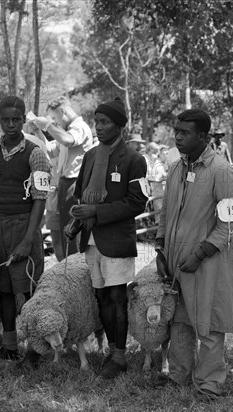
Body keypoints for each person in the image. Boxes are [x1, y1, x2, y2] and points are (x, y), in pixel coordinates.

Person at [155, 109, 233, 398]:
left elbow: (230, 222)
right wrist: (159, 247)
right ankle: (178, 375)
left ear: (202, 137)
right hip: (175, 260)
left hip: (207, 262)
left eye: (185, 132)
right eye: (176, 131)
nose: (177, 136)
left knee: (210, 321)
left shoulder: (221, 171)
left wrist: (200, 253)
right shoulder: (177, 167)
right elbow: (166, 210)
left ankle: (209, 384)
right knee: (179, 319)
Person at [70, 98, 148, 379]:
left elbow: (137, 203)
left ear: (120, 125)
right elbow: (80, 190)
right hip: (91, 237)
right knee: (101, 295)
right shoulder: (91, 156)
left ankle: (119, 356)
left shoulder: (134, 159)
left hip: (116, 239)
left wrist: (97, 211)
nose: (99, 128)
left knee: (117, 296)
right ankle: (110, 350)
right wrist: (80, 213)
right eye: (97, 122)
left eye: (105, 122)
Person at [0, 96, 50, 361]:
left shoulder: (35, 153)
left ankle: (35, 348)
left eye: (16, 119)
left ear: (23, 120)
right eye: (5, 119)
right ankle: (9, 345)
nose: (10, 124)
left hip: (24, 225)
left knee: (29, 288)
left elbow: (40, 199)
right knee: (5, 289)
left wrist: (28, 240)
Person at [30, 96, 94, 260]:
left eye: (55, 117)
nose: (55, 122)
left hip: (75, 185)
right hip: (65, 185)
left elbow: (67, 140)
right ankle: (69, 269)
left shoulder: (79, 127)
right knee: (65, 232)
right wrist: (38, 131)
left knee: (73, 232)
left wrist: (48, 125)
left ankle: (76, 270)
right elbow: (51, 150)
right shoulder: (67, 130)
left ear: (63, 111)